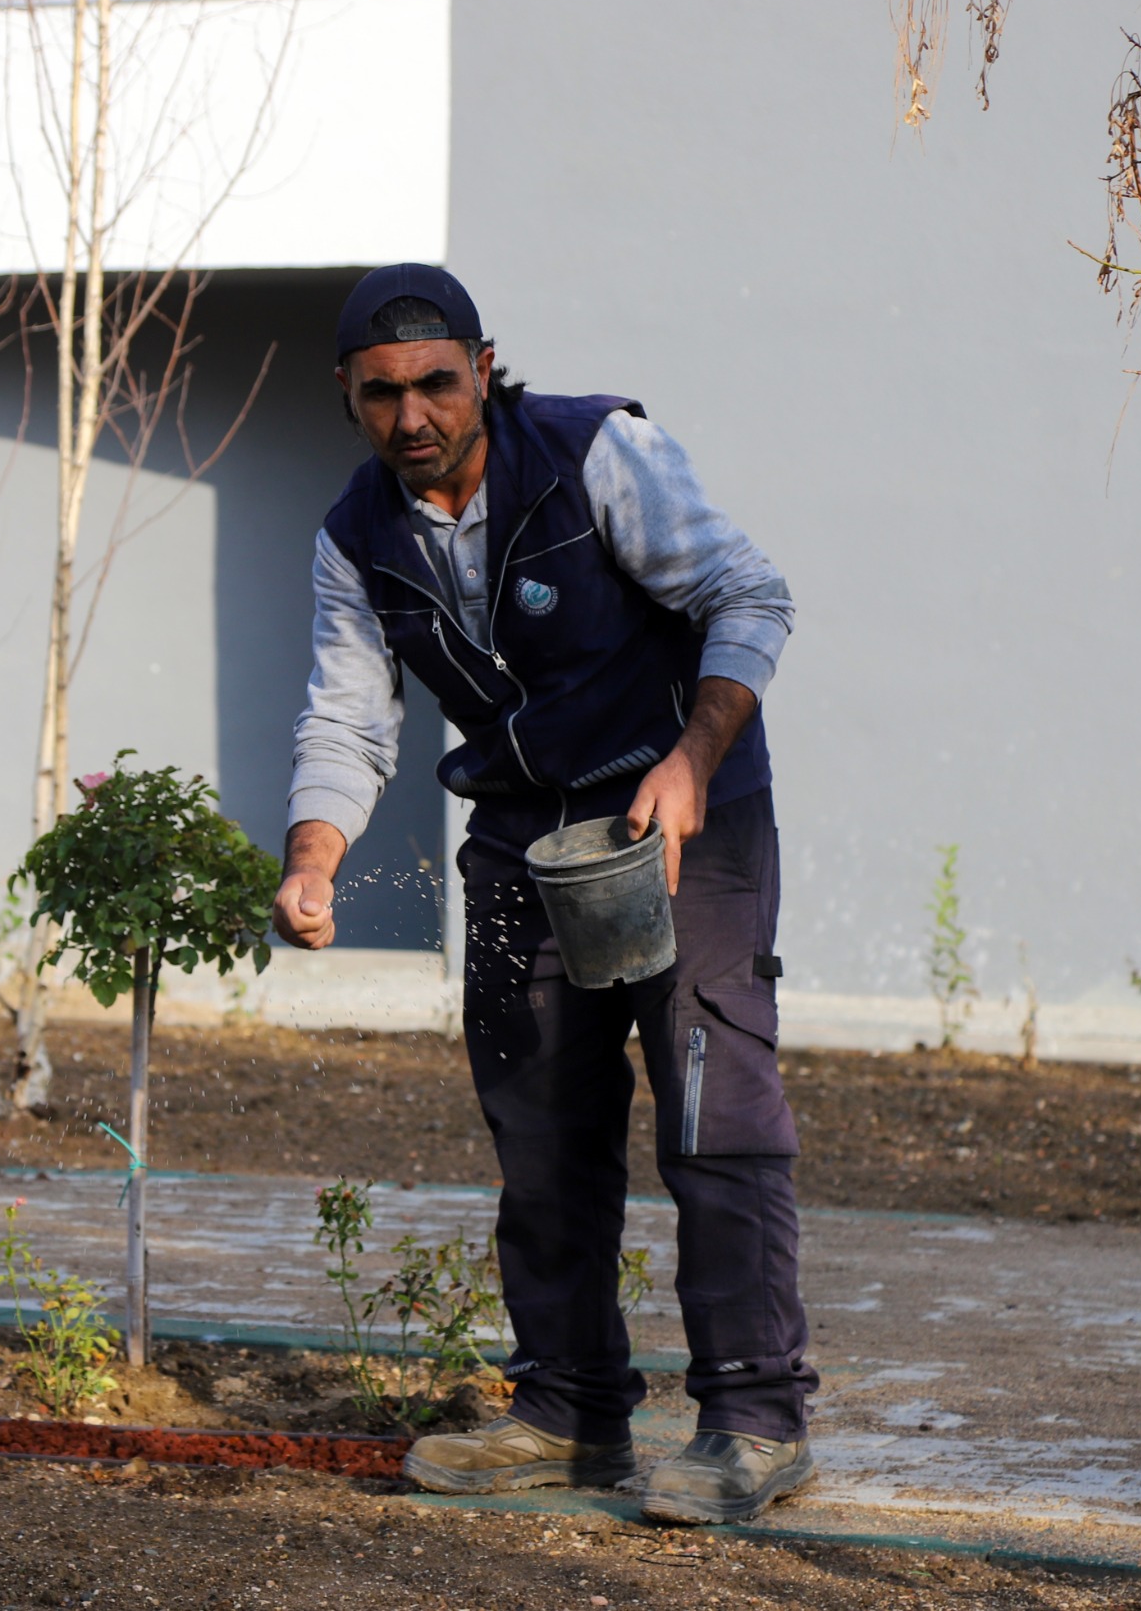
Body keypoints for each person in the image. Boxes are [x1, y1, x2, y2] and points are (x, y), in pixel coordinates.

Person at [274, 263, 813, 1525]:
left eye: (435, 385)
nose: (412, 417)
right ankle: (571, 1413)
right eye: (382, 394)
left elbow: (749, 592)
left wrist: (691, 759)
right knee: (541, 1134)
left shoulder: (594, 453)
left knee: (710, 1109)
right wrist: (312, 858)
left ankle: (751, 1418)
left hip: (684, 816)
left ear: (480, 366)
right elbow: (347, 721)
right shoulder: (355, 536)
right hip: (523, 837)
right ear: (348, 397)